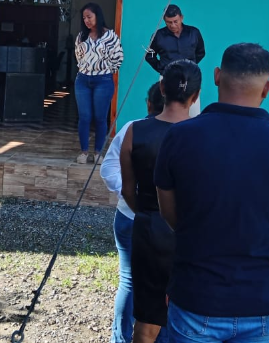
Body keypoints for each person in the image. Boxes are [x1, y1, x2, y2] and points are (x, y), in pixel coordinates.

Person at [155, 43, 269, 343]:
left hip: (196, 294)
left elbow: (169, 213)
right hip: (261, 300)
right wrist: (250, 245)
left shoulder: (179, 138)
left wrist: (203, 238)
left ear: (216, 76)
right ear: (267, 88)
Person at [120, 60, 201, 343]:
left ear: (162, 88)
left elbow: (128, 190)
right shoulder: (203, 135)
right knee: (194, 318)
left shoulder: (135, 131)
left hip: (149, 228)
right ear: (195, 95)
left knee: (146, 320)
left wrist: (148, 212)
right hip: (192, 233)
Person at [100, 82, 166, 343]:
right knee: (162, 282)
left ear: (148, 104)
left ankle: (122, 337)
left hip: (131, 215)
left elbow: (108, 170)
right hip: (158, 221)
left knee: (129, 280)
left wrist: (132, 196)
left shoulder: (131, 128)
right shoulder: (185, 133)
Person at [74, 2, 124, 164]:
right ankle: (83, 152)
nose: (86, 20)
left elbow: (118, 58)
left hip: (103, 81)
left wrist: (104, 69)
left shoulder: (110, 36)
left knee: (100, 118)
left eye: (89, 17)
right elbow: (78, 57)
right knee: (84, 117)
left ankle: (98, 153)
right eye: (84, 18)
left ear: (97, 16)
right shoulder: (81, 36)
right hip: (82, 80)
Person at [144, 4, 205, 117]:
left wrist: (190, 66)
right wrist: (161, 68)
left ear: (181, 18)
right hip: (167, 77)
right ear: (164, 20)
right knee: (167, 112)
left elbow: (200, 52)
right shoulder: (158, 36)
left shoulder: (193, 33)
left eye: (175, 21)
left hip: (189, 77)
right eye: (169, 22)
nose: (172, 25)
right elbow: (149, 55)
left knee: (194, 112)